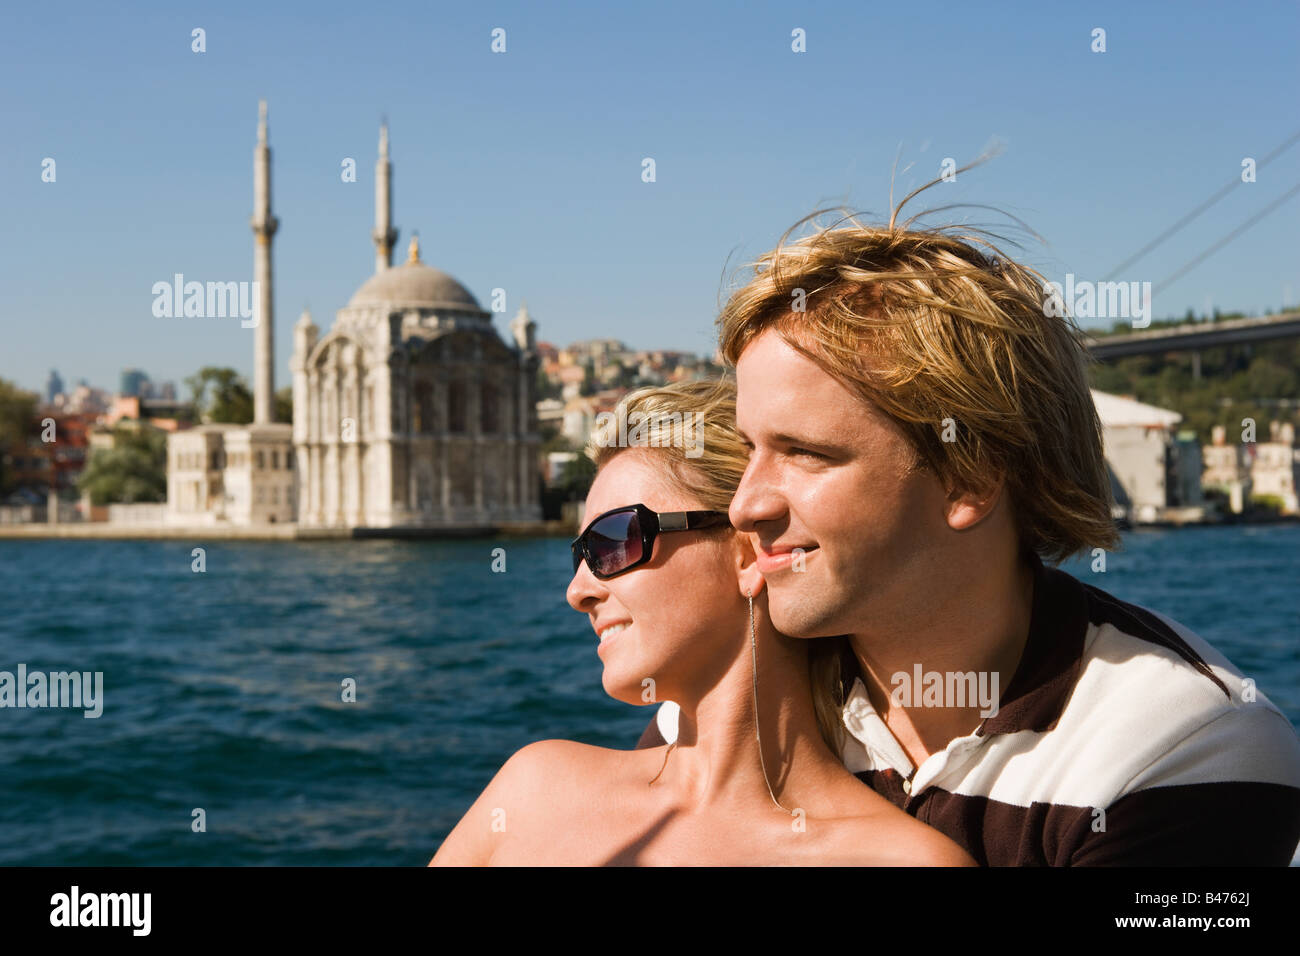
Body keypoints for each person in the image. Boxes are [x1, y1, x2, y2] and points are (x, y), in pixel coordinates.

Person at [639, 174, 1300, 865]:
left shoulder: (1183, 744)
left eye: (804, 454)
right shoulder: (739, 689)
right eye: (750, 449)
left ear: (968, 479)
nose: (745, 504)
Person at [431, 380, 976, 866]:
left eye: (614, 542)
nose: (578, 591)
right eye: (580, 554)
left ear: (747, 550)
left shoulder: (899, 859)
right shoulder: (532, 788)